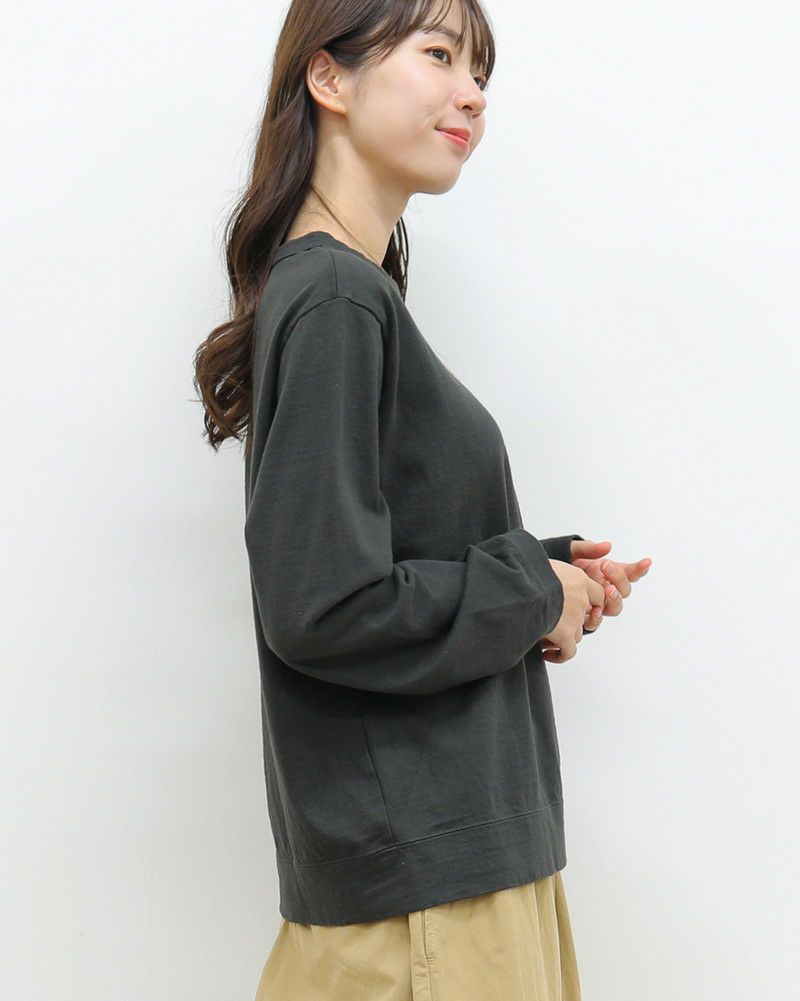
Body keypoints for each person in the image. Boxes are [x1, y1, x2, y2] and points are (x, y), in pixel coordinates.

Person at [193, 0, 652, 998]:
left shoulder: (349, 296)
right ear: (329, 77)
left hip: (447, 872)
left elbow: (371, 565)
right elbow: (322, 605)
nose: (471, 93)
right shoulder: (336, 299)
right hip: (429, 894)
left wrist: (545, 574)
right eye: (440, 54)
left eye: (479, 71)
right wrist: (528, 591)